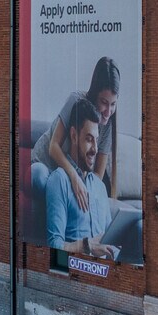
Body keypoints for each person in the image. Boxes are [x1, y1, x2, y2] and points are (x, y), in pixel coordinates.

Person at [34, 57, 120, 210]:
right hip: (45, 165)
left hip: (67, 178)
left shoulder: (108, 124)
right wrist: (74, 177)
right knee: (39, 177)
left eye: (113, 104)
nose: (108, 112)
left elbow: (97, 178)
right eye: (104, 103)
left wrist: (89, 194)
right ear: (94, 94)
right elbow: (53, 147)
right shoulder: (75, 100)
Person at [45, 100, 118, 259]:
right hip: (77, 272)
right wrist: (87, 246)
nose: (95, 149)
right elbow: (54, 245)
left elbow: (110, 241)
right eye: (89, 139)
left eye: (96, 140)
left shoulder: (100, 187)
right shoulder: (59, 181)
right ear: (74, 136)